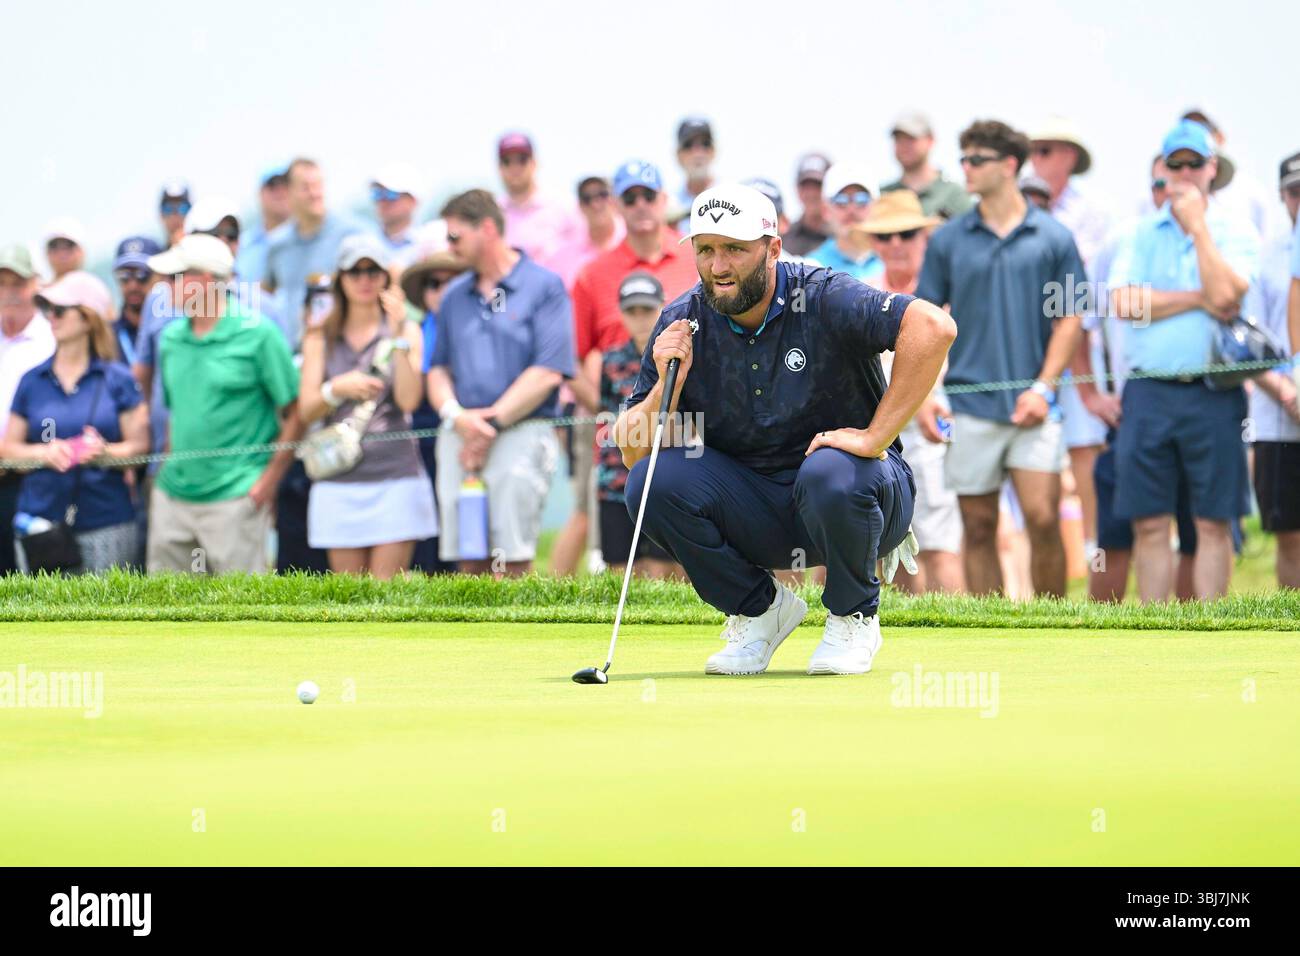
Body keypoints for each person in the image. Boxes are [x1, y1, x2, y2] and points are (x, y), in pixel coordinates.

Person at [615, 183, 956, 676]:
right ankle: (760, 612)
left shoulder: (822, 295)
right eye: (706, 250)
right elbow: (632, 455)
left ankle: (853, 615)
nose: (719, 266)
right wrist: (665, 384)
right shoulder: (681, 321)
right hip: (759, 511)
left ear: (773, 248)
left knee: (830, 471)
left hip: (860, 495)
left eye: (735, 249)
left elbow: (932, 327)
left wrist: (874, 437)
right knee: (651, 480)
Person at [916, 119, 1086, 598]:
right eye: (963, 159)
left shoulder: (1053, 237)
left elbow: (1071, 317)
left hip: (1036, 406)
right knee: (978, 523)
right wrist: (927, 396)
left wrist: (1044, 388)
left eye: (977, 159)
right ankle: (992, 625)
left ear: (1009, 165)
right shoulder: (948, 241)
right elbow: (927, 321)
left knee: (1043, 516)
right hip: (968, 407)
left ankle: (1052, 624)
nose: (965, 168)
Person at [1108, 119, 1259, 602]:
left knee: (1213, 520)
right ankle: (1154, 624)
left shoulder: (1234, 229)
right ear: (1165, 170)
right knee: (1149, 522)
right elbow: (1124, 303)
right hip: (1149, 390)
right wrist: (1198, 297)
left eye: (1196, 163)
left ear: (1212, 168)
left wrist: (1197, 229)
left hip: (1213, 392)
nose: (1187, 173)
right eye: (1178, 164)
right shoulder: (1138, 232)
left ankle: (1211, 624)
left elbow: (1229, 298)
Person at [560, 161, 700, 575]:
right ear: (618, 206)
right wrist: (615, 412)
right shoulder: (593, 274)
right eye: (630, 198)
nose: (640, 205)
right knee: (606, 522)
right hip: (611, 416)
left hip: (688, 418)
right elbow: (574, 356)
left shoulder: (693, 257)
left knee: (679, 546)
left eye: (648, 196)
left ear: (664, 200)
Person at [428, 190, 575, 575]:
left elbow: (549, 370)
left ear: (488, 229)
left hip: (521, 430)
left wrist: (489, 423)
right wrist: (458, 417)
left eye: (455, 236)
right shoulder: (454, 296)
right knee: (469, 553)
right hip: (461, 434)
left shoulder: (544, 286)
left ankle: (516, 635)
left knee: (511, 555)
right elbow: (438, 369)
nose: (449, 246)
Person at [144, 234, 302, 573]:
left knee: (241, 619)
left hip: (236, 499)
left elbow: (294, 412)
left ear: (204, 281)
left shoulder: (259, 334)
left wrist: (267, 483)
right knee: (164, 616)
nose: (165, 287)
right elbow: (177, 415)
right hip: (173, 498)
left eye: (174, 278)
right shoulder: (171, 339)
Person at [1084, 159, 1199, 602]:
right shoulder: (1122, 240)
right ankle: (1103, 632)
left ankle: (1191, 632)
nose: (1168, 192)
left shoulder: (1217, 238)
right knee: (1116, 534)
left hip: (1198, 403)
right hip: (1131, 408)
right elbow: (1081, 317)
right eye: (1159, 183)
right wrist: (1090, 394)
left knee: (1194, 529)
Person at [298, 236, 435, 577]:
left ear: (386, 278)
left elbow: (408, 400)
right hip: (337, 479)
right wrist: (336, 389)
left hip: (395, 476)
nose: (364, 280)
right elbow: (307, 409)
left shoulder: (407, 330)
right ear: (340, 279)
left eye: (373, 271)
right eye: (354, 272)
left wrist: (398, 332)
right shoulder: (319, 336)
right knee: (350, 599)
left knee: (384, 596)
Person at [854, 190, 963, 594]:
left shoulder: (946, 291)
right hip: (877, 428)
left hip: (936, 427)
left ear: (924, 236)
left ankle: (953, 629)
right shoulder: (861, 291)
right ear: (873, 244)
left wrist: (919, 404)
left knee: (940, 538)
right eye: (885, 236)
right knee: (883, 541)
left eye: (906, 233)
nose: (896, 244)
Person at [3, 273, 148, 572]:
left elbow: (141, 445)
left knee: (108, 617)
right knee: (41, 617)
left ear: (87, 318)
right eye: (46, 310)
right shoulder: (32, 381)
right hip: (40, 522)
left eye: (59, 310)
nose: (50, 318)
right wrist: (43, 453)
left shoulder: (118, 379)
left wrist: (106, 453)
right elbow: (9, 449)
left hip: (106, 518)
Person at [1029, 116, 1113, 567]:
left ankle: (1094, 562)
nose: (1035, 159)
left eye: (1045, 150)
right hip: (1024, 353)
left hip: (1079, 351)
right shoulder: (1017, 208)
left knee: (1084, 450)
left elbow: (1079, 301)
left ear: (1069, 157)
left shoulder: (1093, 214)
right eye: (1032, 150)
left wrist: (1084, 384)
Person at [595, 272, 680, 579]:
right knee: (620, 569)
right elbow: (604, 412)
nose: (641, 319)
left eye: (647, 310)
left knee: (666, 570)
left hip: (666, 475)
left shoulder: (679, 356)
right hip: (617, 476)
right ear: (622, 313)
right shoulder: (610, 360)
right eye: (632, 311)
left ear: (662, 307)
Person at [1243, 151, 1300, 589]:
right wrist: (1288, 392)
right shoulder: (1265, 257)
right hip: (1282, 419)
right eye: (1295, 192)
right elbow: (1248, 344)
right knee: (1291, 538)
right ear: (1283, 196)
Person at [401, 247, 469, 574]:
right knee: (429, 527)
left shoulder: (473, 326)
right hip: (420, 440)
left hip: (467, 431)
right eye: (433, 283)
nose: (440, 291)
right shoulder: (415, 330)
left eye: (449, 281)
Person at [263, 158, 361, 350]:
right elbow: (265, 292)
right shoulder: (277, 244)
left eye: (318, 185)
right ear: (289, 192)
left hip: (337, 352)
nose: (314, 193)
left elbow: (390, 272)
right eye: (306, 187)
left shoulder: (350, 234)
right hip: (292, 352)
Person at [0, 244, 56, 573]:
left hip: (31, 480)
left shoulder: (51, 340)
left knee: (29, 582)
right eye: (2, 283)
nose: (9, 293)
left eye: (17, 284)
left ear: (36, 284)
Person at [496, 132, 577, 266]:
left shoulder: (563, 206)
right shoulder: (493, 212)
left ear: (534, 163)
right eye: (507, 161)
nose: (515, 168)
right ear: (500, 167)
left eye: (522, 160)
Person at [882, 112, 972, 221]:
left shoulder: (954, 194)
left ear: (930, 140)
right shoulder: (885, 194)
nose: (904, 146)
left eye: (911, 139)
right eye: (898, 139)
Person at [546, 175, 625, 290]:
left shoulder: (633, 240)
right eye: (587, 199)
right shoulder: (563, 257)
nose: (595, 204)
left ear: (613, 200)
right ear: (580, 206)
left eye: (602, 195)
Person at [809, 164, 884, 281]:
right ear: (825, 210)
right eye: (841, 200)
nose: (851, 209)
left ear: (876, 206)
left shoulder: (896, 259)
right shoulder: (811, 268)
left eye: (861, 199)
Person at [234, 164, 290, 286]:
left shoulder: (309, 241)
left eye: (286, 185)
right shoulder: (243, 245)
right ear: (260, 193)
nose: (280, 192)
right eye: (273, 186)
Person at [370, 163, 424, 268]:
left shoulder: (428, 244)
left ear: (412, 201)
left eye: (390, 194)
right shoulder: (363, 243)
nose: (382, 201)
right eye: (378, 193)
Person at [669, 117, 717, 230]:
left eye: (705, 144)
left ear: (714, 151)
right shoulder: (667, 202)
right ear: (678, 155)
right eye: (688, 145)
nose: (698, 153)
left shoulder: (730, 195)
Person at [782, 152, 832, 257]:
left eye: (818, 186)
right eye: (806, 186)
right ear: (797, 189)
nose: (811, 193)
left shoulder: (842, 237)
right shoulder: (783, 238)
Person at [158, 180, 191, 248]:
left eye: (183, 208)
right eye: (168, 209)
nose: (175, 215)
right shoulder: (153, 252)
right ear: (161, 215)